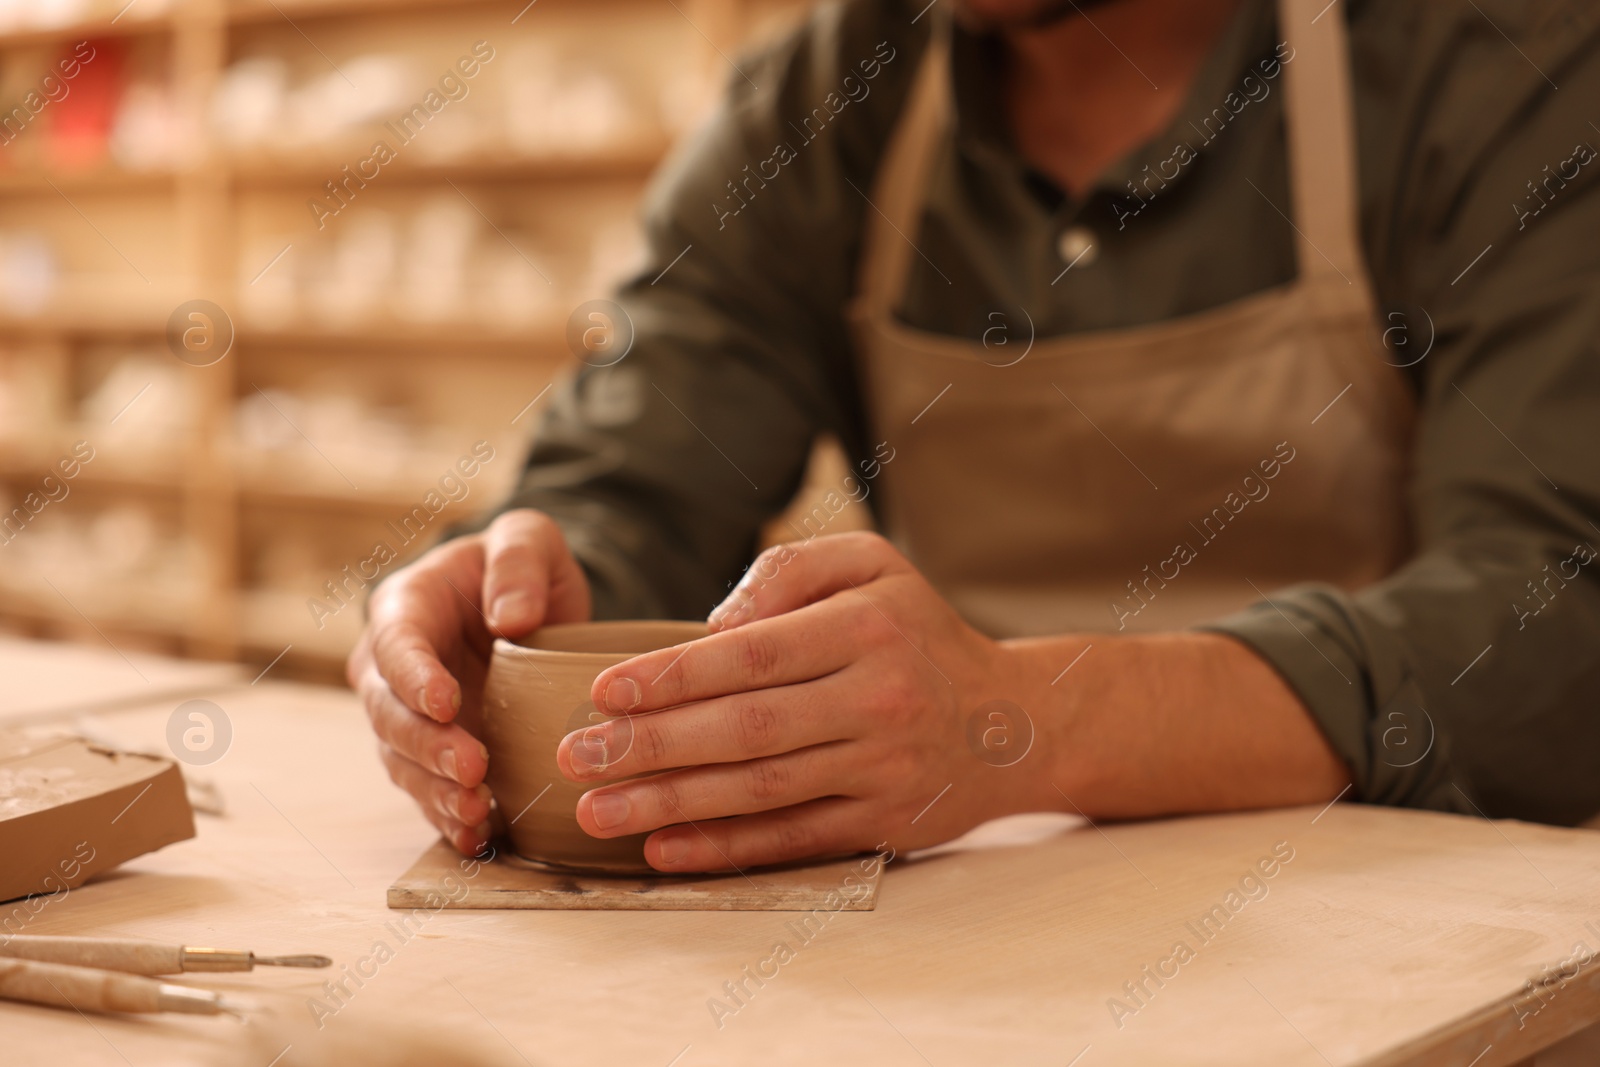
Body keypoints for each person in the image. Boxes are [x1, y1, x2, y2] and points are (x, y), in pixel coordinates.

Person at [348, 0, 1600, 871]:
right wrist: (520, 611)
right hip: (984, 890)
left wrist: (1020, 721)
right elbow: (640, 465)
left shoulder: (1499, 63)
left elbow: (1559, 610)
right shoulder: (823, 92)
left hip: (1402, 885)